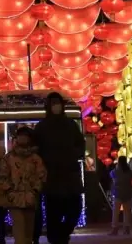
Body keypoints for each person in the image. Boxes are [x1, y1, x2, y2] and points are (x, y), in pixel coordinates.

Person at [33, 92, 85, 244]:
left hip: (70, 175)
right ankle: (55, 238)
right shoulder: (41, 127)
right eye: (53, 103)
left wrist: (74, 154)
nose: (56, 106)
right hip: (52, 177)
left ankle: (63, 234)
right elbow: (37, 148)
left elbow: (80, 144)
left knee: (75, 209)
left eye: (58, 102)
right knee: (53, 213)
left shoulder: (71, 125)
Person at [0, 127, 47, 244]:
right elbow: (2, 176)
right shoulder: (8, 158)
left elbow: (41, 176)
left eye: (25, 136)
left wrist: (34, 191)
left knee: (28, 234)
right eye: (20, 136)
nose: (23, 138)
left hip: (30, 199)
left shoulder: (36, 159)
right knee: (19, 232)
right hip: (14, 199)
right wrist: (9, 192)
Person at [110, 157, 132, 236]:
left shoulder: (116, 171)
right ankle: (127, 229)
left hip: (118, 193)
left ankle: (115, 229)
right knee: (127, 212)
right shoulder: (129, 171)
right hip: (128, 193)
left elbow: (111, 174)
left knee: (115, 212)